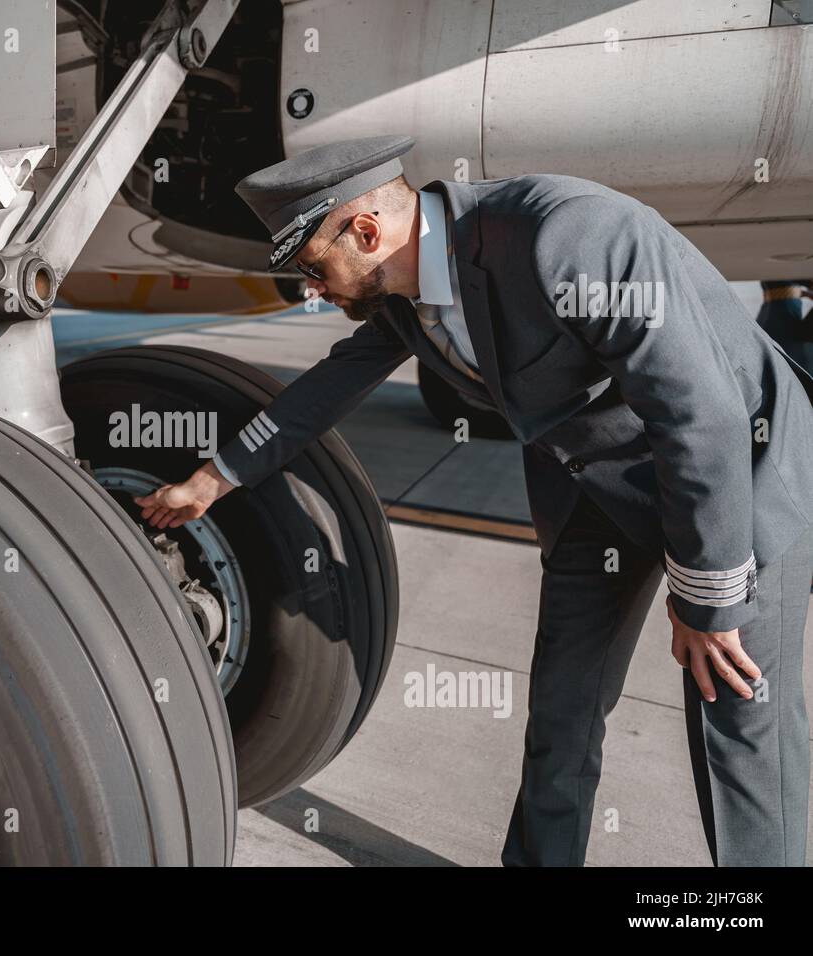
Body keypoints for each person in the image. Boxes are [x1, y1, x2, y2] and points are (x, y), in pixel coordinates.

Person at [134, 135, 813, 866]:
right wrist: (213, 478)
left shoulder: (567, 233)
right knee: (562, 708)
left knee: (736, 720)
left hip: (736, 473)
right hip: (597, 491)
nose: (313, 290)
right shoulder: (403, 295)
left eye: (312, 267)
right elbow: (325, 388)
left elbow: (699, 414)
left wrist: (708, 602)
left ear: (366, 231)